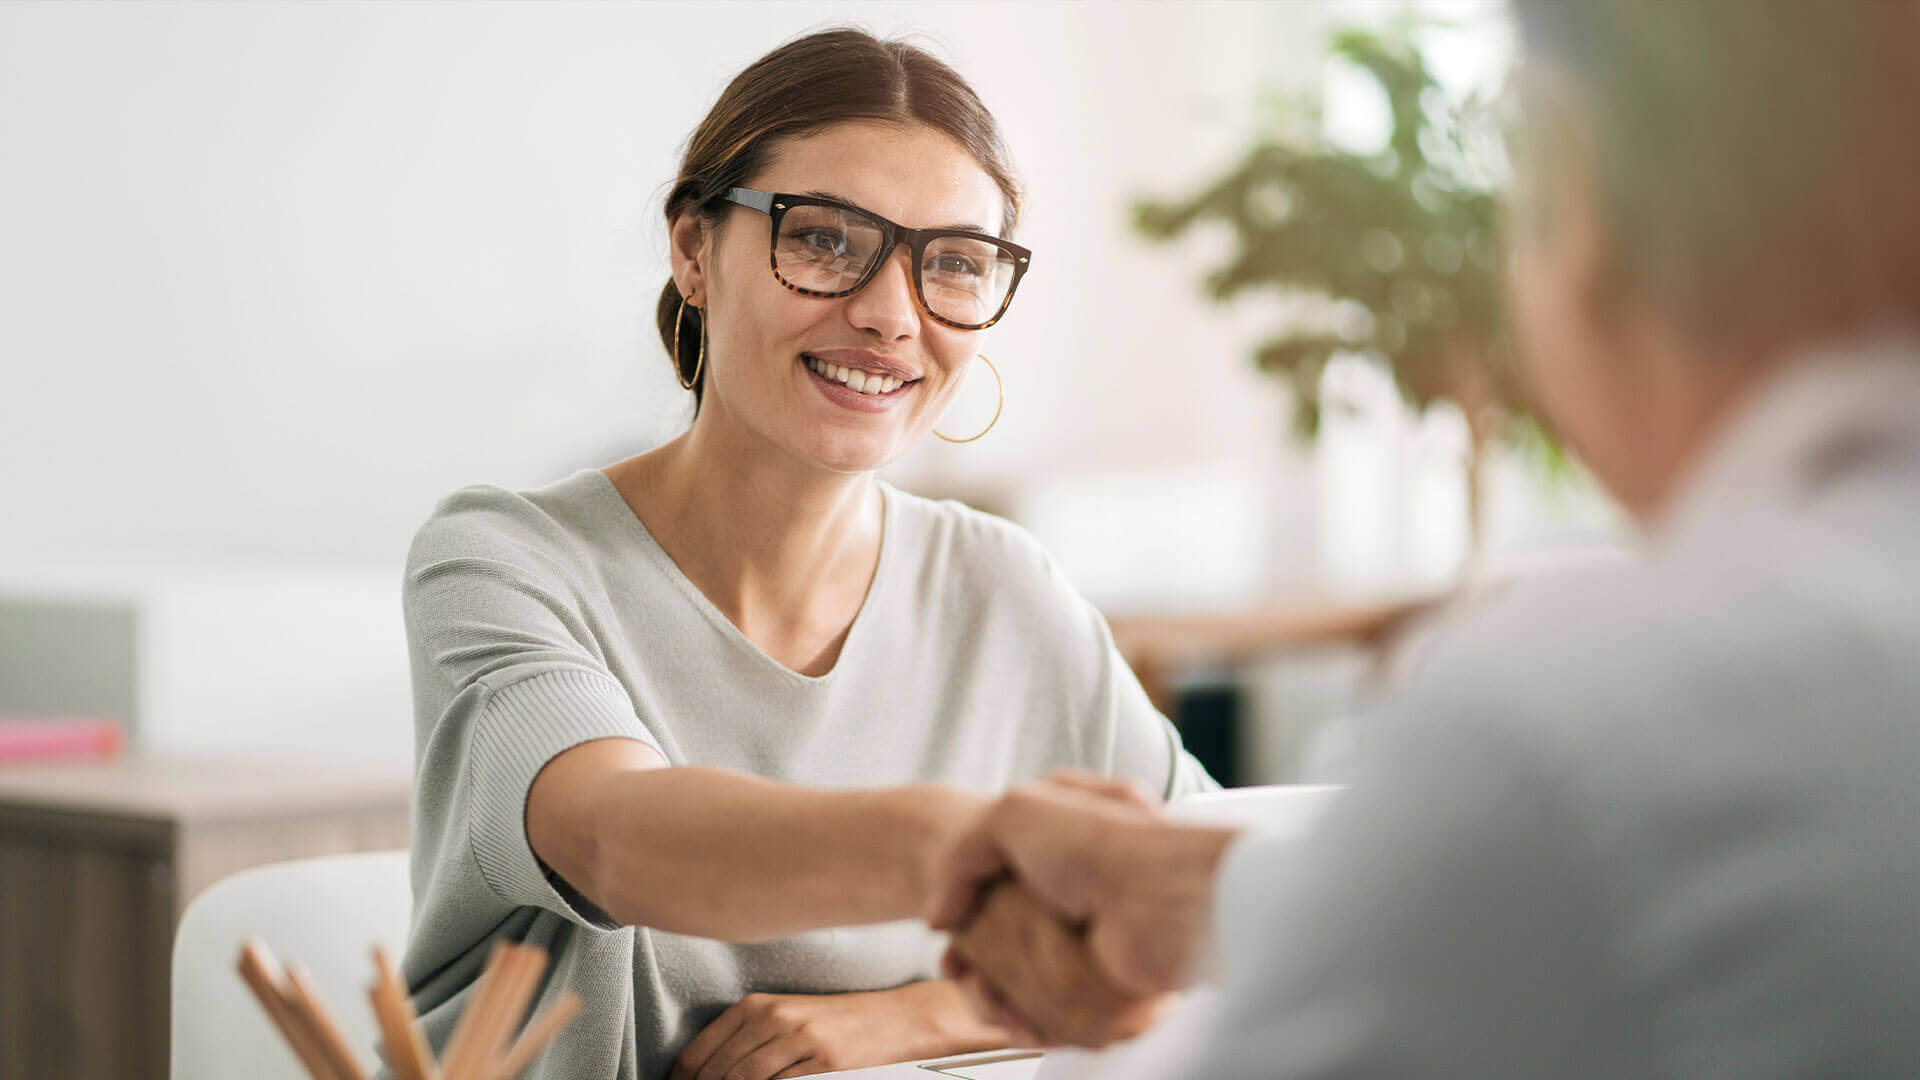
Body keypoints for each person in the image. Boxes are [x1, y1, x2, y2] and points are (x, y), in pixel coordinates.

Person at [930, 1, 1920, 1075]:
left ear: (1568, 185)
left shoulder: (1566, 731)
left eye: (957, 261)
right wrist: (1223, 896)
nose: (893, 315)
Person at [397, 29, 1216, 1080]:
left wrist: (929, 1015)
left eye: (955, 264)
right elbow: (616, 840)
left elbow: (1195, 920)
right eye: (828, 241)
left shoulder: (1003, 588)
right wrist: (965, 850)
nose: (889, 316)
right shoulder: (507, 559)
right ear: (695, 251)